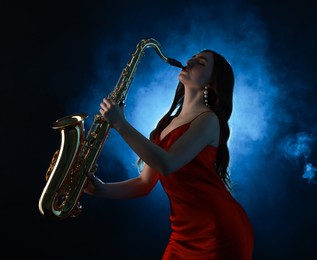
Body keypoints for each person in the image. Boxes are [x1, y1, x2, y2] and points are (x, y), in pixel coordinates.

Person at [84, 49, 254, 259]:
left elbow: (168, 163)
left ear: (212, 83)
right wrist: (102, 190)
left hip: (217, 232)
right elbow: (144, 184)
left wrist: (119, 124)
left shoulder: (208, 120)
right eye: (193, 57)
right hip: (182, 233)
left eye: (200, 63)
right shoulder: (167, 124)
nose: (190, 61)